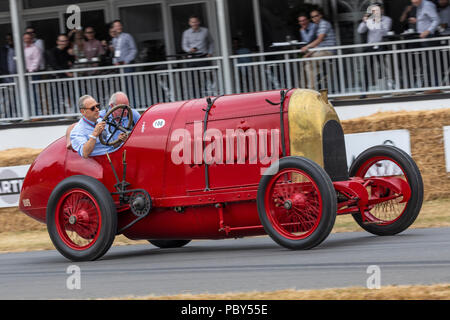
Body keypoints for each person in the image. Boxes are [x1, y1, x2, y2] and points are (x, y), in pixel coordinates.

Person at [66, 92, 139, 149]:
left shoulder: (132, 113)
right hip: (114, 151)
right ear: (112, 106)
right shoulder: (101, 115)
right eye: (122, 108)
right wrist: (69, 142)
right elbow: (73, 126)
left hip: (130, 148)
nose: (126, 111)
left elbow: (145, 128)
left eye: (127, 106)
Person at [300, 9, 337, 89]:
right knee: (307, 64)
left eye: (316, 16)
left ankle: (315, 83)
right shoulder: (318, 26)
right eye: (312, 17)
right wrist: (309, 53)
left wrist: (307, 47)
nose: (314, 18)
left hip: (328, 51)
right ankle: (318, 80)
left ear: (320, 15)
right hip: (322, 50)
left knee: (309, 61)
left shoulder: (323, 24)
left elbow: (320, 39)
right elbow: (319, 44)